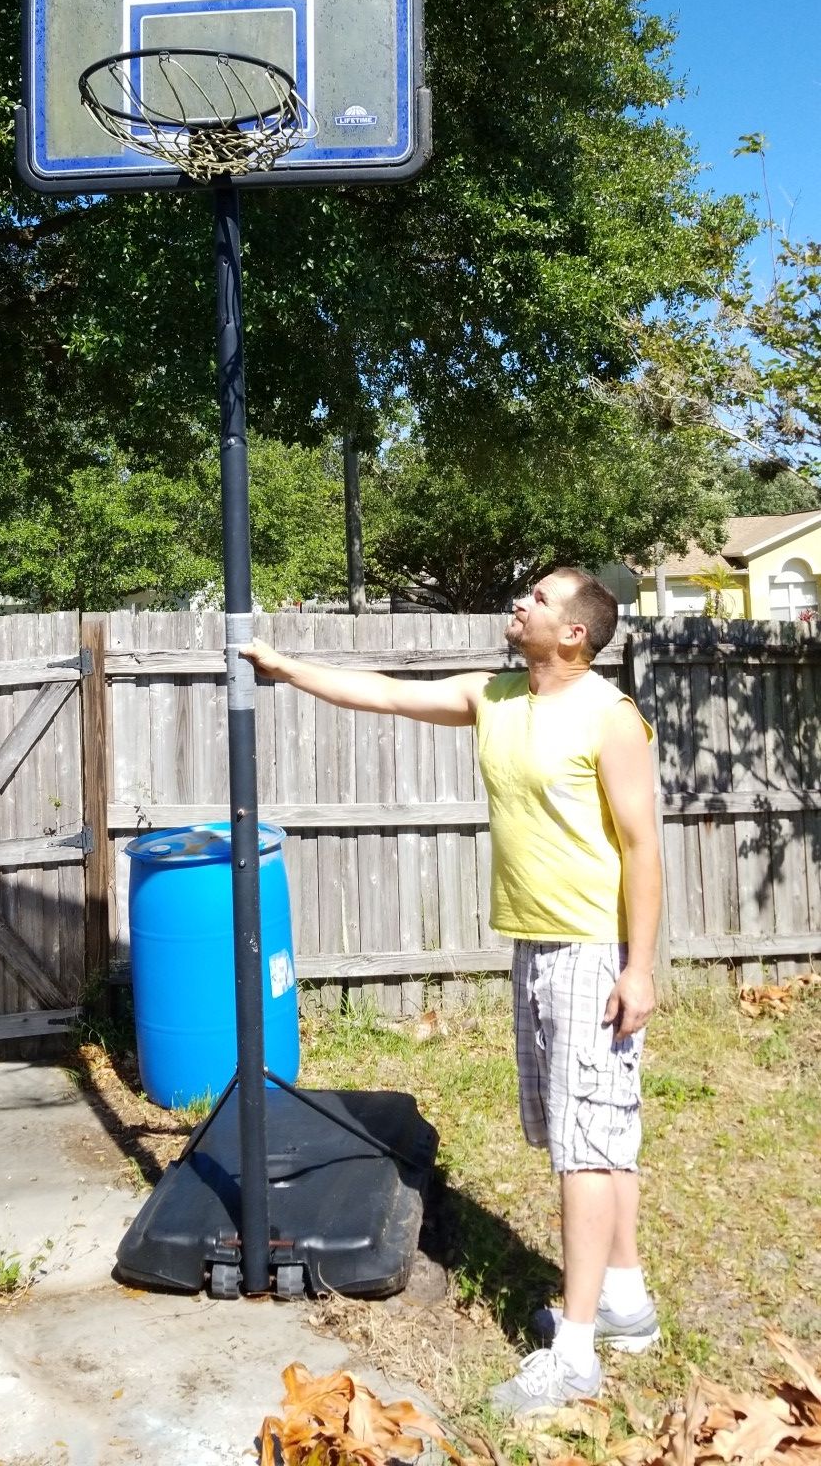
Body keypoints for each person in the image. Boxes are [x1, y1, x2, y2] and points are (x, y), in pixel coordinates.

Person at [242, 568, 662, 1418]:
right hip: (536, 943)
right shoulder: (495, 697)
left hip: (591, 948)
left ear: (574, 633)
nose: (521, 604)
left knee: (586, 1145)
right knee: (590, 1128)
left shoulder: (610, 719)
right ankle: (625, 1299)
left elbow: (644, 845)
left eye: (539, 600)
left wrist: (640, 965)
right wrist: (287, 669)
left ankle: (575, 1353)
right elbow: (387, 696)